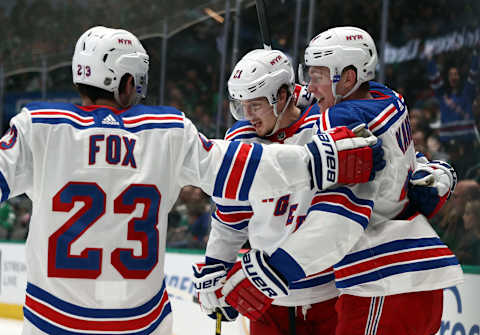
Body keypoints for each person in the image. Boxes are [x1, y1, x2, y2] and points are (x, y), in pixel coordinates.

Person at [0, 26, 384, 335]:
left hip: (52, 319)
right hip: (139, 321)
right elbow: (240, 171)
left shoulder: (38, 127)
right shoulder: (166, 130)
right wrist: (318, 161)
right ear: (126, 82)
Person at [215, 27, 462, 335]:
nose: (310, 85)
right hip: (412, 272)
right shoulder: (390, 100)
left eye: (318, 75)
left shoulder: (339, 119)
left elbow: (337, 217)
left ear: (348, 77)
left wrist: (273, 272)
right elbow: (408, 165)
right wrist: (438, 171)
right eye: (308, 75)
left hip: (382, 277)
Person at [427, 47, 479, 143]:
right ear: (447, 78)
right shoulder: (442, 94)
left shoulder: (467, 93)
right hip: (448, 145)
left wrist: (476, 54)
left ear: (460, 76)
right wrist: (430, 59)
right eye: (451, 74)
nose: (453, 77)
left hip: (467, 144)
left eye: (456, 74)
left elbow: (473, 73)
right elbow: (434, 77)